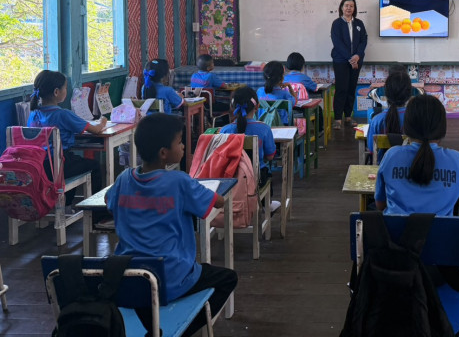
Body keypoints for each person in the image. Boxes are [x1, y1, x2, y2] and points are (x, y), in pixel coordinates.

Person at [106, 113, 238, 336]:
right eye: (179, 141)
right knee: (228, 278)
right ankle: (181, 330)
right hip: (170, 277)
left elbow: (108, 201)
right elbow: (218, 201)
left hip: (128, 278)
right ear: (163, 153)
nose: (183, 146)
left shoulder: (123, 180)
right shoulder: (179, 182)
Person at [375, 94, 459, 217]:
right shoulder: (457, 160)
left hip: (395, 229)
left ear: (407, 127)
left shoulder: (391, 156)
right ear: (442, 128)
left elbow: (380, 205)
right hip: (442, 230)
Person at [27, 70, 105, 201]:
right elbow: (96, 130)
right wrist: (102, 121)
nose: (66, 91)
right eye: (65, 88)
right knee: (94, 166)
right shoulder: (63, 114)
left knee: (74, 163)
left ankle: (67, 205)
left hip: (39, 166)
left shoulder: (33, 114)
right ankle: (96, 209)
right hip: (58, 166)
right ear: (56, 92)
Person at [219, 86, 276, 188]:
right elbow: (270, 156)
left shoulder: (225, 130)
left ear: (232, 107)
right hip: (257, 178)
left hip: (231, 178)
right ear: (257, 107)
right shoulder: (265, 129)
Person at [330, 0, 367, 129]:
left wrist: (357, 56)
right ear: (341, 7)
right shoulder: (336, 23)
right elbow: (337, 43)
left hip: (356, 61)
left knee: (351, 89)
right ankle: (337, 119)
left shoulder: (359, 23)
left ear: (354, 8)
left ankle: (348, 117)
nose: (349, 8)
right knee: (341, 89)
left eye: (351, 6)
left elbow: (363, 40)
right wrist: (351, 59)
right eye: (346, 5)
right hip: (341, 61)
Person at [366, 66, 413, 163]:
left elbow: (371, 149)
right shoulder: (416, 118)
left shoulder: (377, 120)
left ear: (386, 93)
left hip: (383, 166)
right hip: (411, 166)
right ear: (409, 94)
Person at [257, 60, 295, 126]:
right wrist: (289, 86)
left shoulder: (259, 91)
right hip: (281, 127)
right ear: (282, 77)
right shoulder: (285, 94)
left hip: (261, 126)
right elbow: (294, 103)